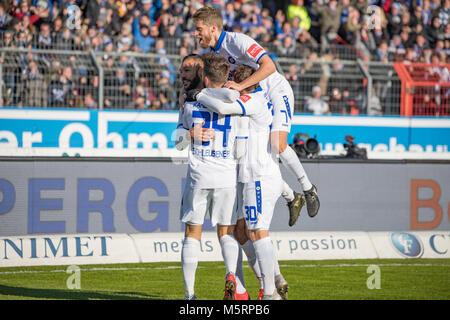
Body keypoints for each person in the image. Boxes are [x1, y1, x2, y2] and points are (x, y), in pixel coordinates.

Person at [191, 5, 319, 223]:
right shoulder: (214, 54)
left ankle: (308, 188)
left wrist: (241, 87)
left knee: (277, 144)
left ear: (213, 28)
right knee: (254, 155)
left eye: (198, 28)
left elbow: (269, 66)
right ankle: (292, 197)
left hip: (275, 91)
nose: (195, 33)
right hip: (253, 97)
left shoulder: (236, 41)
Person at [189, 63, 286, 300]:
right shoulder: (252, 99)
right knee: (243, 232)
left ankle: (270, 292)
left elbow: (222, 104)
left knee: (258, 233)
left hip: (257, 176)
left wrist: (199, 94)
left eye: (234, 82)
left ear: (243, 86)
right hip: (247, 176)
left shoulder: (251, 101)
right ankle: (251, 289)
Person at [175, 53, 249, 301]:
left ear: (205, 77)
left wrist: (190, 135)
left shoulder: (189, 105)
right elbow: (241, 150)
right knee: (226, 233)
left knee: (192, 234)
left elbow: (177, 143)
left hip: (199, 176)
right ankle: (230, 275)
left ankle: (190, 296)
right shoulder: (236, 108)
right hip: (226, 177)